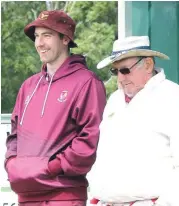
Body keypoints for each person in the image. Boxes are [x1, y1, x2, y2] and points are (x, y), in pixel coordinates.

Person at [4, 10, 106, 206]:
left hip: (63, 196)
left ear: (66, 39)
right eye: (36, 36)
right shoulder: (28, 86)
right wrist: (12, 163)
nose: (39, 43)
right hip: (25, 196)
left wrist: (52, 167)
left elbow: (89, 138)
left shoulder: (86, 82)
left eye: (47, 35)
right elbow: (14, 135)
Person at [88, 36, 179, 206]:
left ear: (148, 65)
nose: (120, 78)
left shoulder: (173, 97)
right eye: (115, 72)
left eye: (125, 70)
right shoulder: (115, 100)